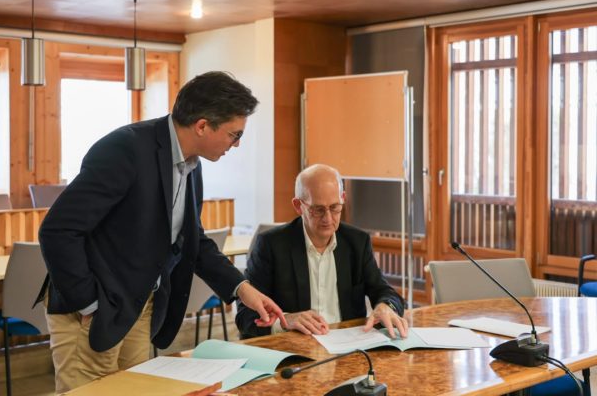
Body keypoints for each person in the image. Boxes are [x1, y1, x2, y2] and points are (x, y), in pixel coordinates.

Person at [38, 71, 287, 393]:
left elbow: (193, 242)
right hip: (94, 309)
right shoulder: (125, 148)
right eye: (234, 134)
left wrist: (242, 289)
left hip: (139, 306)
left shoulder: (192, 165)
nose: (237, 144)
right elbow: (58, 230)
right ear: (202, 126)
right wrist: (88, 303)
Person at [236, 164, 408, 339]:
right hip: (294, 346)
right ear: (298, 205)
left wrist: (386, 306)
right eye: (318, 210)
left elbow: (385, 292)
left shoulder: (357, 242)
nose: (328, 218)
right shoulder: (271, 245)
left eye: (334, 207)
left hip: (347, 345)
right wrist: (285, 321)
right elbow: (245, 316)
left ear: (343, 198)